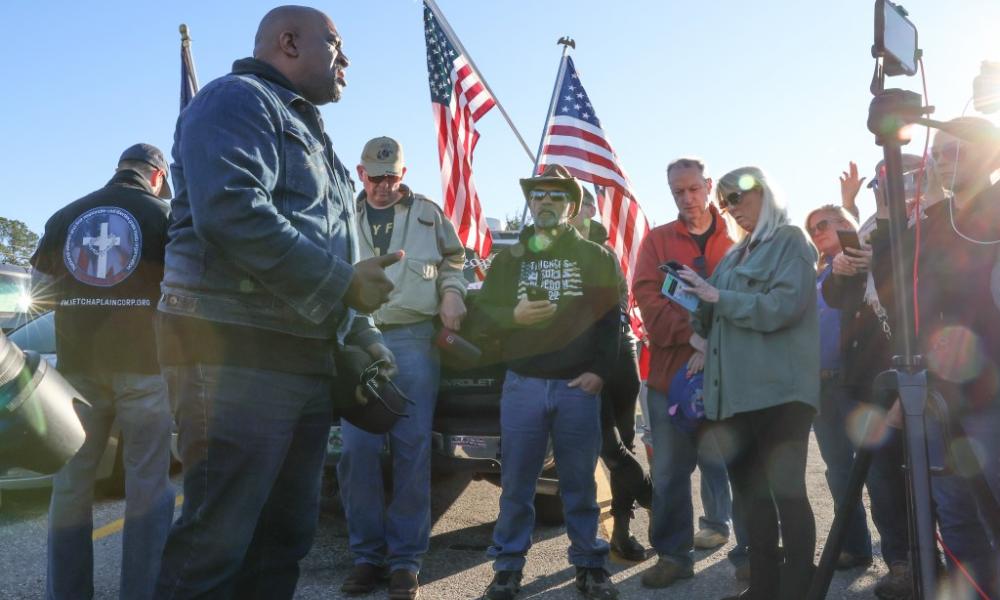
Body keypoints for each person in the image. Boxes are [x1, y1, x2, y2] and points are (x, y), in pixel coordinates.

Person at [154, 7, 399, 599]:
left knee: (282, 542)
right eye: (336, 45)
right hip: (235, 353)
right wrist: (343, 285)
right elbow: (231, 210)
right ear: (288, 42)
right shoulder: (236, 100)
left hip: (300, 356)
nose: (347, 61)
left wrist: (364, 338)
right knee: (216, 544)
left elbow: (336, 248)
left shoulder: (315, 135)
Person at [31, 143, 175, 600]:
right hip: (147, 370)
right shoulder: (165, 217)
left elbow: (41, 294)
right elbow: (183, 291)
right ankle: (143, 593)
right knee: (148, 489)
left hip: (78, 374)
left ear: (120, 170)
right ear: (157, 175)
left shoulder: (66, 215)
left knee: (71, 489)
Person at [868, 117, 1000, 599]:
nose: (941, 159)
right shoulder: (930, 221)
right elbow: (894, 289)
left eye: (953, 150)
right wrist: (886, 219)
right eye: (938, 151)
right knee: (957, 515)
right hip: (941, 396)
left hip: (992, 391)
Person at [477, 165, 622, 600]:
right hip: (523, 385)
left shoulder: (597, 257)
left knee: (579, 484)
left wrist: (599, 371)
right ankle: (507, 569)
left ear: (571, 206)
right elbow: (482, 318)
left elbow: (611, 321)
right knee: (517, 485)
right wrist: (513, 317)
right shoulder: (509, 261)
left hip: (577, 388)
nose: (545, 202)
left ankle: (590, 565)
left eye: (556, 196)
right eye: (538, 195)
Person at [678, 166, 819, 600]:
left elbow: (783, 306)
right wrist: (692, 297)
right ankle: (763, 586)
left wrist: (718, 296)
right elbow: (715, 314)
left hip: (779, 393)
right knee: (751, 498)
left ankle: (798, 588)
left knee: (787, 493)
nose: (731, 209)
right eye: (725, 203)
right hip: (735, 397)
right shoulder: (735, 256)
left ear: (765, 192)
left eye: (737, 197)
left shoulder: (791, 240)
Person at [337, 136, 467, 600]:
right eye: (375, 177)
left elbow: (456, 259)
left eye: (391, 177)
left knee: (412, 449)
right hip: (356, 340)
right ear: (360, 173)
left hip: (413, 338)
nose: (383, 186)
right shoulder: (341, 215)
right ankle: (367, 556)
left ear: (403, 175)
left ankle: (406, 562)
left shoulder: (430, 214)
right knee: (358, 451)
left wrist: (453, 291)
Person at [631, 157, 748, 588]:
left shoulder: (738, 238)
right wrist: (691, 336)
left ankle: (748, 554)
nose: (687, 198)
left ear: (708, 186)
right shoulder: (657, 242)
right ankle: (673, 555)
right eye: (678, 192)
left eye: (694, 189)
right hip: (669, 379)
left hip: (730, 377)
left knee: (741, 466)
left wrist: (711, 341)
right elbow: (649, 302)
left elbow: (750, 301)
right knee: (668, 473)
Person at [575, 187, 653, 562]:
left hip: (616, 358)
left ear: (589, 210)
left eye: (578, 204)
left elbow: (606, 315)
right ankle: (651, 505)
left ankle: (632, 523)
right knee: (607, 451)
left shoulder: (599, 253)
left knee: (617, 450)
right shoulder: (552, 250)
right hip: (588, 360)